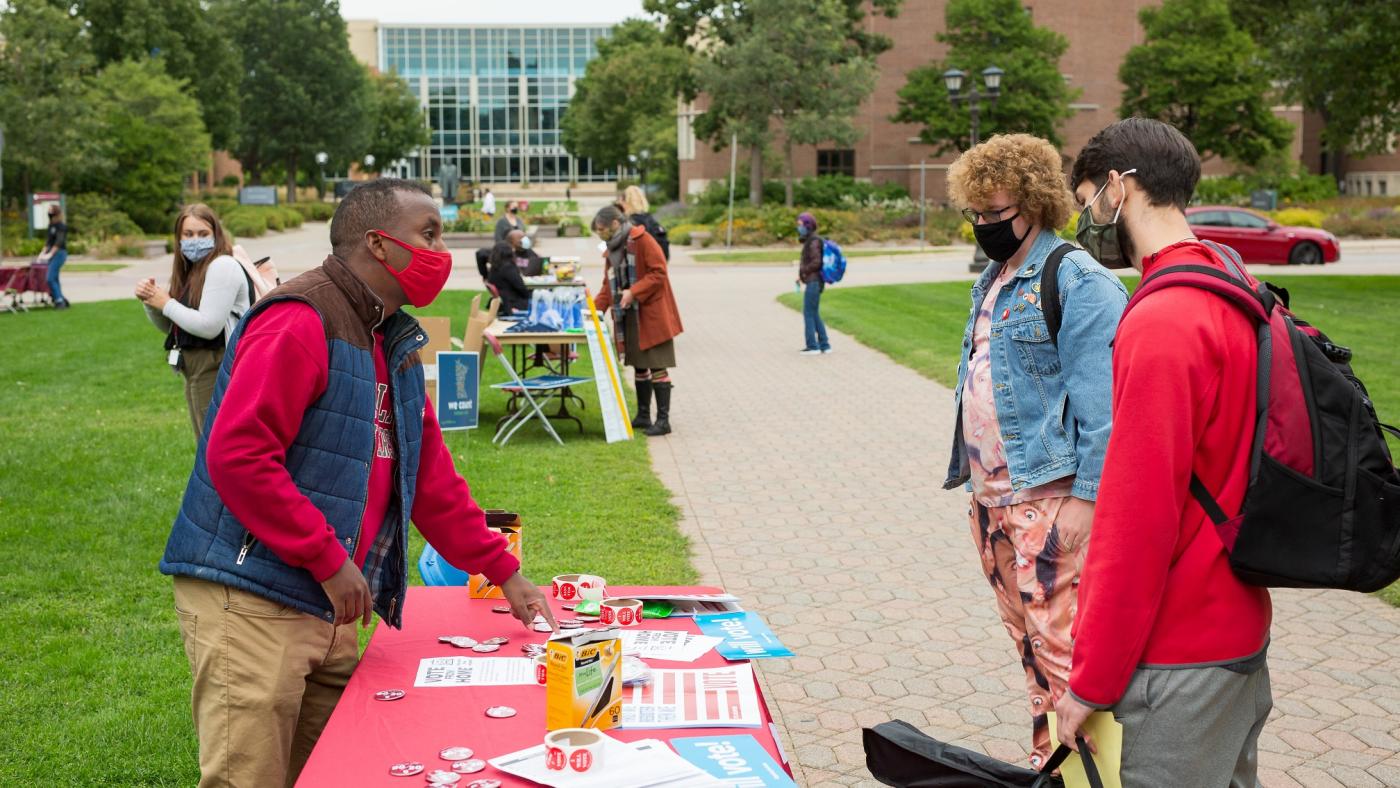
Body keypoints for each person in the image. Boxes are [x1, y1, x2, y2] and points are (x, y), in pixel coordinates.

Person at [158, 178, 554, 788]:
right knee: (251, 777)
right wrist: (326, 559)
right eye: (429, 234)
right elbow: (237, 455)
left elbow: (429, 479)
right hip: (255, 595)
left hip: (332, 602)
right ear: (379, 244)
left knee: (337, 771)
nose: (442, 251)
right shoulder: (299, 318)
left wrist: (503, 570)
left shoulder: (388, 334)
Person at [1053, 118, 1273, 786]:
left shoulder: (1160, 320)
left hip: (1180, 654)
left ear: (1120, 188)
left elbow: (1137, 524)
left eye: (1089, 198)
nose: (1088, 219)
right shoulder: (1230, 284)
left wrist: (1089, 682)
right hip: (1239, 630)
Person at [941, 133, 1128, 770]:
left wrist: (1086, 500)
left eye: (999, 214)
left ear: (1037, 202)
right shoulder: (994, 278)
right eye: (978, 216)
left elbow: (1104, 408)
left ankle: (1093, 774)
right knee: (1030, 653)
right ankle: (1050, 766)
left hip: (1049, 503)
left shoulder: (1074, 277)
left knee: (1069, 659)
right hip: (992, 502)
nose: (987, 227)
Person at [136, 204, 251, 439]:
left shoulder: (221, 266)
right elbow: (173, 326)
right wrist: (152, 303)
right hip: (195, 368)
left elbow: (209, 326)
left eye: (203, 234)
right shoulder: (191, 270)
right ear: (178, 238)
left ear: (216, 234)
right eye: (188, 235)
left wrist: (166, 302)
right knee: (206, 445)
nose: (195, 241)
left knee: (215, 448)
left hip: (215, 364)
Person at [592, 204, 682, 436]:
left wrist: (634, 291)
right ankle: (643, 416)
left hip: (652, 313)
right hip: (629, 314)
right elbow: (607, 285)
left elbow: (659, 272)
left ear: (614, 223)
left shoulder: (643, 240)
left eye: (601, 229)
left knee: (657, 366)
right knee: (639, 365)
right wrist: (592, 311)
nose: (600, 234)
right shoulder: (613, 248)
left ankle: (663, 421)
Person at [795, 212, 831, 355]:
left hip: (814, 282)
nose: (799, 228)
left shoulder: (814, 241)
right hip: (813, 280)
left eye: (800, 225)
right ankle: (825, 345)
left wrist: (803, 270)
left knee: (808, 313)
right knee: (814, 312)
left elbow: (816, 262)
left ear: (807, 225)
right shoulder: (810, 240)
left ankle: (812, 346)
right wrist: (801, 276)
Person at [619, 186, 669, 260]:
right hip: (655, 266)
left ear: (625, 202)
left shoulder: (628, 223)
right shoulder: (651, 220)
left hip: (637, 268)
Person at [37, 205, 70, 309]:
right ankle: (61, 299)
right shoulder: (51, 226)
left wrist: (50, 254)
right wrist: (42, 253)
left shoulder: (61, 226)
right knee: (55, 278)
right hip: (51, 252)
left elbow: (58, 242)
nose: (50, 214)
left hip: (59, 253)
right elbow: (49, 241)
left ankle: (59, 300)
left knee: (50, 278)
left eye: (52, 211)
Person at [486, 240, 530, 314]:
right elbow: (521, 287)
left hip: (504, 302)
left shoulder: (493, 268)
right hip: (513, 303)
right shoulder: (508, 268)